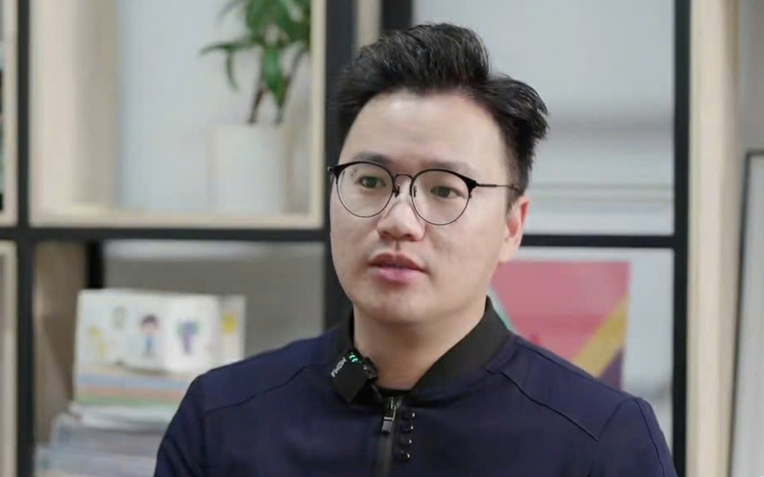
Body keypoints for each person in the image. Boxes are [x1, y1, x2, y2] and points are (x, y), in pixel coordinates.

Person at [154, 23, 677, 477]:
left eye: (445, 189)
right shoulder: (222, 418)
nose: (399, 221)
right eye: (369, 181)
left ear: (511, 227)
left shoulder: (602, 439)